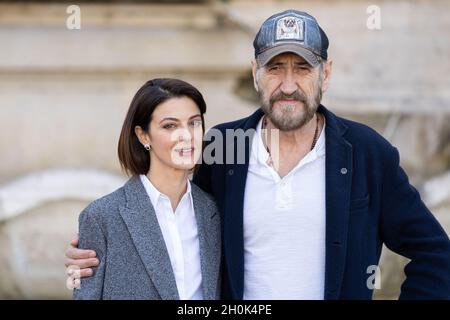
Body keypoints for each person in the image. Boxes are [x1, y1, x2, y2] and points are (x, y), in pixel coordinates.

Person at [66, 10, 450, 299]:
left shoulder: (367, 152)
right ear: (254, 73)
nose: (287, 85)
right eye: (274, 68)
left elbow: (436, 253)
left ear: (326, 74)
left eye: (302, 68)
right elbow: (176, 221)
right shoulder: (220, 147)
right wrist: (105, 246)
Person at [71, 78, 221, 299]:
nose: (187, 136)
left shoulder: (214, 212)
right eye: (170, 125)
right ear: (143, 135)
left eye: (194, 123)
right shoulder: (102, 217)